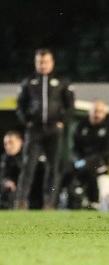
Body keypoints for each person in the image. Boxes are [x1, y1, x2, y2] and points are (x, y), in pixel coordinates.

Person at [15, 48, 75, 210]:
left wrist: (62, 121)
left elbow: (70, 105)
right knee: (28, 166)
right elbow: (20, 105)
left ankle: (49, 203)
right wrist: (26, 120)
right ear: (36, 63)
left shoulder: (61, 81)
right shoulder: (29, 82)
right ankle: (21, 201)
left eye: (46, 61)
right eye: (40, 62)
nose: (43, 65)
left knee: (53, 167)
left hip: (54, 130)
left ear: (52, 62)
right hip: (34, 130)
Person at [70, 99, 109, 210]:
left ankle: (93, 201)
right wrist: (77, 159)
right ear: (90, 112)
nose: (97, 114)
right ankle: (70, 199)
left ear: (104, 114)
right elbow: (75, 147)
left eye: (100, 112)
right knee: (67, 169)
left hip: (100, 163)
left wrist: (89, 160)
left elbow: (108, 151)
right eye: (95, 111)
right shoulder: (82, 126)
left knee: (90, 169)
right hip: (81, 161)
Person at [0, 131, 23, 209]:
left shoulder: (29, 158)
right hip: (11, 191)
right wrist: (6, 182)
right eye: (5, 144)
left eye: (11, 142)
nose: (8, 146)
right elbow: (2, 176)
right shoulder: (4, 158)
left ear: (20, 142)